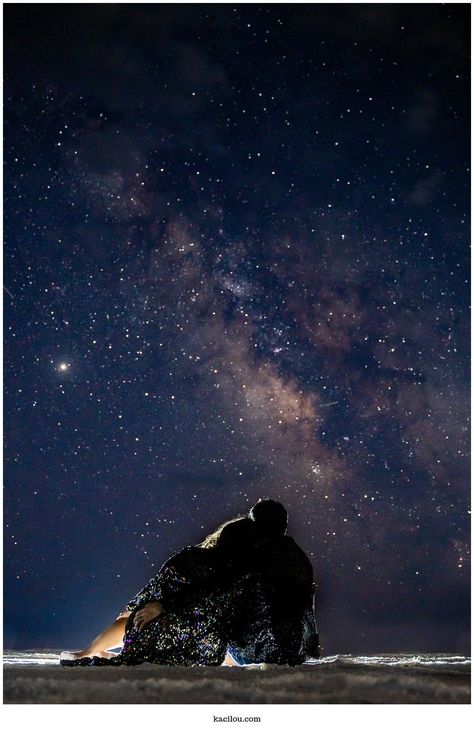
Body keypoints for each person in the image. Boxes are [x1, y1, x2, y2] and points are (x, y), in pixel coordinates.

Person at [60, 515, 258, 666]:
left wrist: (136, 606)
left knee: (135, 617)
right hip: (204, 646)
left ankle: (89, 651)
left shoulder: (192, 558)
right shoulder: (241, 575)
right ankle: (108, 650)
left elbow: (159, 585)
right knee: (198, 623)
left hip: (158, 630)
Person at [226, 499, 320, 665]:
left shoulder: (250, 555)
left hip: (252, 653)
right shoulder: (299, 558)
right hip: (289, 651)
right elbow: (306, 609)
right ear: (284, 525)